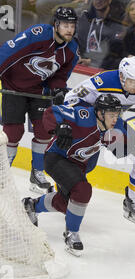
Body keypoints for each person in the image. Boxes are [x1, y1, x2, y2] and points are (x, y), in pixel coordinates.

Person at [63, 55, 135, 231]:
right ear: (121, 76)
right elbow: (70, 98)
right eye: (131, 81)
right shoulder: (102, 81)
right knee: (84, 166)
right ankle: (63, 193)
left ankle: (133, 203)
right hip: (88, 124)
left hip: (113, 125)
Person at [22, 94, 135, 256]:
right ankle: (71, 234)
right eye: (111, 115)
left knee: (66, 203)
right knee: (83, 190)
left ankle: (31, 205)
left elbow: (128, 148)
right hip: (56, 158)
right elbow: (51, 112)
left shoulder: (114, 128)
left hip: (76, 166)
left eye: (117, 115)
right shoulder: (84, 115)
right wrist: (59, 126)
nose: (115, 119)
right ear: (99, 114)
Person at [0, 7, 79, 194]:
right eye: (65, 25)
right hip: (14, 87)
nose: (69, 29)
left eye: (72, 26)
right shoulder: (38, 34)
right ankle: (3, 173)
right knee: (13, 132)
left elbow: (60, 75)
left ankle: (37, 173)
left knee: (44, 131)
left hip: (39, 91)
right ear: (56, 24)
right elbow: (6, 52)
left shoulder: (72, 49)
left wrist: (57, 89)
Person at [76, 0, 125, 69]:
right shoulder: (84, 19)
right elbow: (77, 42)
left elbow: (120, 58)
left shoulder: (119, 24)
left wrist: (93, 61)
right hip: (82, 68)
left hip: (105, 71)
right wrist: (77, 56)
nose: (98, 1)